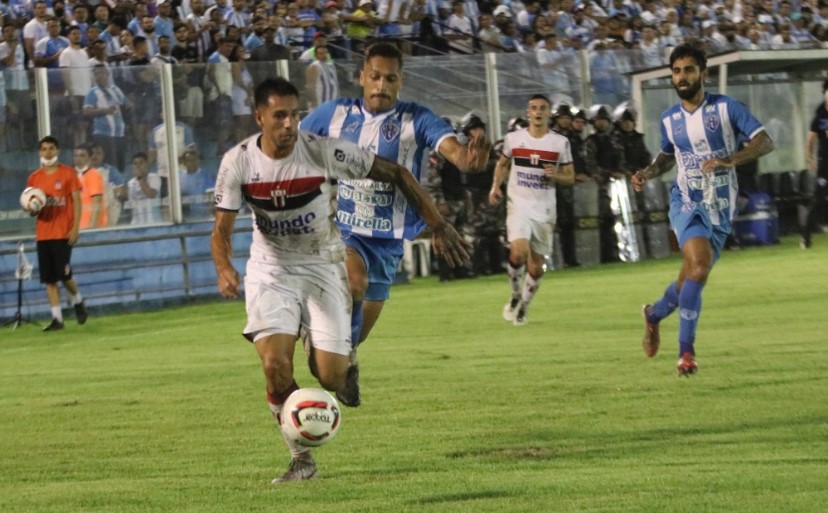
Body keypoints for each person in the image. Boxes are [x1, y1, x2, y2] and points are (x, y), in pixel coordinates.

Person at [210, 77, 466, 484]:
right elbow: (221, 230)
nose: (290, 124)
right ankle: (301, 459)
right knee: (275, 365)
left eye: (294, 114)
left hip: (323, 265)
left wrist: (436, 224)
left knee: (331, 376)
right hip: (271, 271)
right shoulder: (237, 162)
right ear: (260, 117)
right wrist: (225, 267)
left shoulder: (323, 152)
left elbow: (397, 173)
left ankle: (331, 352)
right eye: (279, 116)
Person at [300, 42, 489, 407]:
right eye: (374, 76)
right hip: (345, 229)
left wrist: (469, 158)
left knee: (349, 344)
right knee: (354, 281)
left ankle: (334, 350)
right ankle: (327, 342)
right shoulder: (334, 114)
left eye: (390, 78)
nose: (381, 85)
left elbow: (454, 151)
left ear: (401, 81)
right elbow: (292, 142)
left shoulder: (416, 119)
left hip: (387, 243)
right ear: (362, 77)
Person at [631, 44, 774, 376]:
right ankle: (686, 354)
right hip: (687, 201)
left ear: (703, 74)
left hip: (720, 207)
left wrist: (730, 159)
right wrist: (647, 172)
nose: (682, 77)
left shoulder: (726, 108)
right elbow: (667, 155)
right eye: (677, 71)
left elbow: (764, 141)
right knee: (698, 264)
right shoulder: (669, 119)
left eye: (689, 70)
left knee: (691, 277)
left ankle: (653, 315)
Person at [488, 94, 575, 326]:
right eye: (533, 108)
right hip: (518, 204)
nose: (537, 112)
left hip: (545, 209)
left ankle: (524, 306)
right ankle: (515, 294)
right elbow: (501, 164)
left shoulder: (560, 143)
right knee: (518, 252)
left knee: (536, 266)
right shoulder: (514, 139)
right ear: (528, 113)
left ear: (549, 113)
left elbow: (570, 176)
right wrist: (496, 187)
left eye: (542, 109)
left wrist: (555, 174)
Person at [25, 136, 89, 332]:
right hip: (43, 234)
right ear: (39, 152)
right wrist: (32, 209)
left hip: (63, 233)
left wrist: (75, 227)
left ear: (58, 151)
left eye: (51, 148)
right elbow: (29, 205)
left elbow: (77, 201)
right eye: (44, 149)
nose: (48, 152)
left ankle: (78, 301)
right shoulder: (34, 178)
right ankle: (57, 319)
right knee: (49, 279)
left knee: (64, 273)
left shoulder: (68, 173)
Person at [802, 79, 828, 249]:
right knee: (818, 199)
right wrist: (810, 159)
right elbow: (810, 140)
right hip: (825, 164)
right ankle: (806, 238)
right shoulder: (819, 117)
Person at [74, 143, 109, 229]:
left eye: (82, 155)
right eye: (76, 155)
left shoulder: (94, 175)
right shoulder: (72, 176)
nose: (78, 159)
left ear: (89, 158)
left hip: (92, 228)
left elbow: (97, 203)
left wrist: (91, 230)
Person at [304, 42, 338, 112]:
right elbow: (310, 86)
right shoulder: (314, 66)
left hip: (331, 102)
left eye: (325, 53)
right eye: (321, 53)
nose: (324, 55)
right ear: (316, 55)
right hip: (319, 104)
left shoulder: (331, 65)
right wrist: (314, 102)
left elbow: (335, 84)